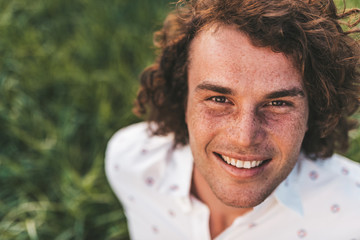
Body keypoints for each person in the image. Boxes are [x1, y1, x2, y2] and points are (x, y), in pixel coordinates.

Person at [106, 0, 360, 239]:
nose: (244, 137)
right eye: (218, 99)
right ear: (183, 98)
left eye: (278, 103)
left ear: (313, 111)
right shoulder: (132, 163)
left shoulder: (352, 216)